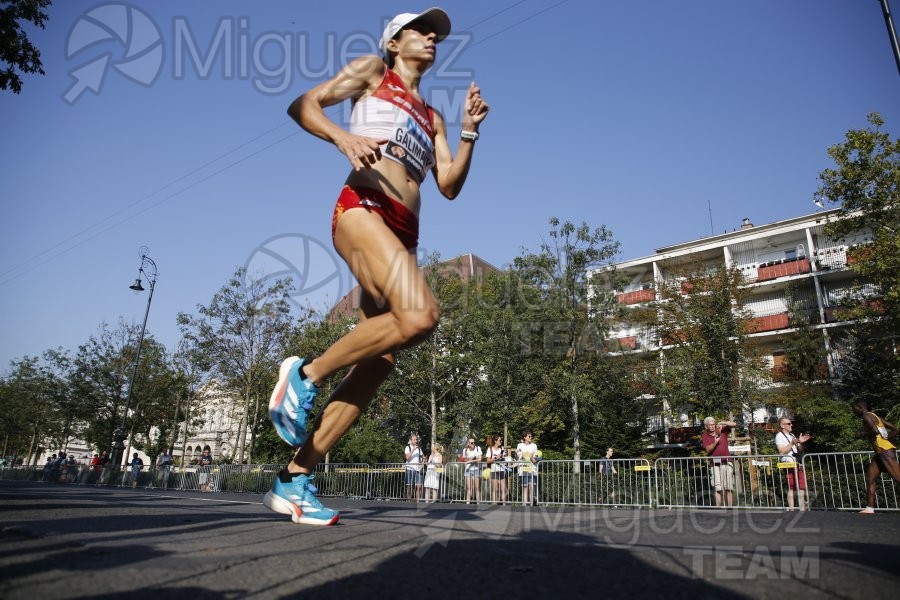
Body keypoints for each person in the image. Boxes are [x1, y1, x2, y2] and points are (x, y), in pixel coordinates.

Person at [264, 7, 488, 526]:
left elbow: (448, 185)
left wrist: (470, 131)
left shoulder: (431, 116)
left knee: (381, 359)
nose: (433, 38)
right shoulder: (373, 72)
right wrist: (342, 138)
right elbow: (304, 105)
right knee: (421, 316)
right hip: (362, 211)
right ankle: (304, 374)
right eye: (422, 30)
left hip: (404, 236)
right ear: (394, 42)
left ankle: (294, 479)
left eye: (437, 34)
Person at [852, 400, 900, 514]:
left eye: (854, 409)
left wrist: (861, 434)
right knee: (870, 477)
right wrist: (886, 439)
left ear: (860, 407)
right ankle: (870, 508)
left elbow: (874, 430)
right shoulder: (876, 416)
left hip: (884, 451)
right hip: (881, 451)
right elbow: (896, 429)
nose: (854, 412)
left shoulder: (866, 416)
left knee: (898, 478)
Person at [774, 417, 811, 511]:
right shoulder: (779, 436)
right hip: (788, 463)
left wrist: (800, 442)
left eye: (791, 423)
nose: (791, 425)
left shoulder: (792, 435)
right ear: (782, 425)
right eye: (789, 424)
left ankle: (802, 509)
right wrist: (792, 443)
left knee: (801, 487)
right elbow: (781, 451)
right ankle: (791, 509)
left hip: (797, 462)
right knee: (792, 486)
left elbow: (800, 449)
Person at [701, 416, 737, 507]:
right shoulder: (705, 435)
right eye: (710, 425)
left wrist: (723, 422)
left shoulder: (722, 430)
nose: (713, 426)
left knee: (728, 487)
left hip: (726, 462)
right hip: (715, 464)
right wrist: (716, 441)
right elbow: (708, 449)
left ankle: (730, 508)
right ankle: (718, 509)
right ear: (706, 426)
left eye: (714, 424)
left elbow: (734, 424)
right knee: (718, 488)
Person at [517, 431, 539, 507]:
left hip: (532, 469)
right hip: (523, 469)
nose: (531, 437)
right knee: (525, 487)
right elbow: (518, 456)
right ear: (525, 437)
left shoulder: (534, 445)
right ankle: (524, 503)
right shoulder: (519, 445)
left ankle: (532, 504)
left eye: (531, 436)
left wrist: (533, 458)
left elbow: (535, 457)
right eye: (529, 436)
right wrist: (522, 456)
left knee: (532, 487)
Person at [486, 434, 509, 505]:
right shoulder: (490, 449)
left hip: (502, 470)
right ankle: (494, 504)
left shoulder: (502, 449)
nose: (501, 441)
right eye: (500, 440)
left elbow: (505, 458)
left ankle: (504, 504)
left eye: (501, 440)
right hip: (494, 470)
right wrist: (496, 458)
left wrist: (503, 457)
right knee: (495, 489)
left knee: (503, 489)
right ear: (495, 441)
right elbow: (488, 461)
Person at [463, 437, 483, 505]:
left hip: (476, 469)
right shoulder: (465, 450)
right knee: (469, 488)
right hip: (468, 469)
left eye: (474, 442)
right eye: (471, 443)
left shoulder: (478, 448)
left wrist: (471, 460)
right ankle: (467, 503)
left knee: (477, 487)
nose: (473, 444)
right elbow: (464, 460)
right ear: (468, 443)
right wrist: (468, 459)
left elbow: (480, 459)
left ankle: (478, 503)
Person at [404, 434, 424, 502]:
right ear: (411, 440)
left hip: (417, 469)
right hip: (410, 469)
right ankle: (408, 500)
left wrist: (424, 459)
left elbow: (422, 457)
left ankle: (417, 501)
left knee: (419, 486)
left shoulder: (419, 448)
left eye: (416, 439)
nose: (416, 441)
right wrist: (413, 450)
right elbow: (407, 457)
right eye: (414, 439)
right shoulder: (408, 447)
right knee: (409, 486)